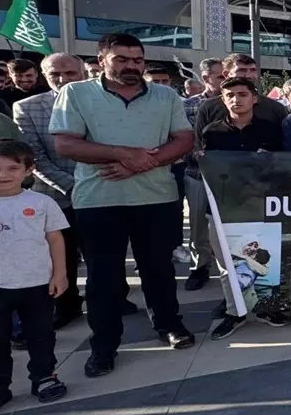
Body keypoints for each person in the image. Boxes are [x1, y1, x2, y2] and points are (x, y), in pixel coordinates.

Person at [50, 32, 196, 378]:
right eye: (122, 59)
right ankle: (104, 344)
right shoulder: (76, 93)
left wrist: (146, 160)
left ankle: (168, 325)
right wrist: (122, 154)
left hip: (157, 197)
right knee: (103, 276)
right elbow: (66, 144)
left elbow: (184, 139)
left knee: (159, 269)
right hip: (99, 200)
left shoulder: (165, 95)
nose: (132, 66)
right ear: (102, 60)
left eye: (138, 60)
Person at [187, 54, 287, 292]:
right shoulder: (210, 117)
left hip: (260, 197)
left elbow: (285, 154)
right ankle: (224, 295)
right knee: (221, 248)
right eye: (242, 70)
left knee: (262, 249)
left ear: (254, 97)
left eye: (252, 70)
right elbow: (198, 148)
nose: (248, 74)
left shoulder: (274, 113)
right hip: (221, 195)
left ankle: (266, 299)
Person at [199, 77, 288, 337]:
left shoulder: (272, 129)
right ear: (223, 99)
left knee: (265, 258)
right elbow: (204, 168)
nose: (236, 100)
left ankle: (265, 307)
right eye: (230, 95)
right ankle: (234, 312)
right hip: (223, 206)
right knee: (227, 262)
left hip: (261, 205)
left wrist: (268, 161)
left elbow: (284, 167)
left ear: (254, 98)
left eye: (242, 94)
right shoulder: (212, 132)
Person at [13, 53, 87, 327]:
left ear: (83, 74)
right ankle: (66, 304)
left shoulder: (100, 104)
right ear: (45, 76)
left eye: (70, 73)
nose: (63, 79)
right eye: (55, 74)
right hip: (56, 195)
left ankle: (117, 295)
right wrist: (72, 185)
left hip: (101, 188)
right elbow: (36, 158)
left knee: (100, 250)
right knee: (62, 253)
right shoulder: (26, 107)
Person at [0, 141, 69, 407]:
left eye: (12, 168)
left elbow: (55, 239)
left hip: (37, 283)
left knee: (41, 334)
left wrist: (59, 274)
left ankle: (43, 377)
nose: (3, 175)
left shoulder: (42, 202)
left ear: (29, 170)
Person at [144, 66, 189, 264]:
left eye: (165, 81)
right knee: (147, 213)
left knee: (175, 208)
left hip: (175, 164)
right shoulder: (138, 105)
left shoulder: (178, 103)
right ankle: (145, 255)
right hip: (140, 167)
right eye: (155, 81)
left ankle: (176, 245)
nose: (161, 85)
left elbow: (185, 137)